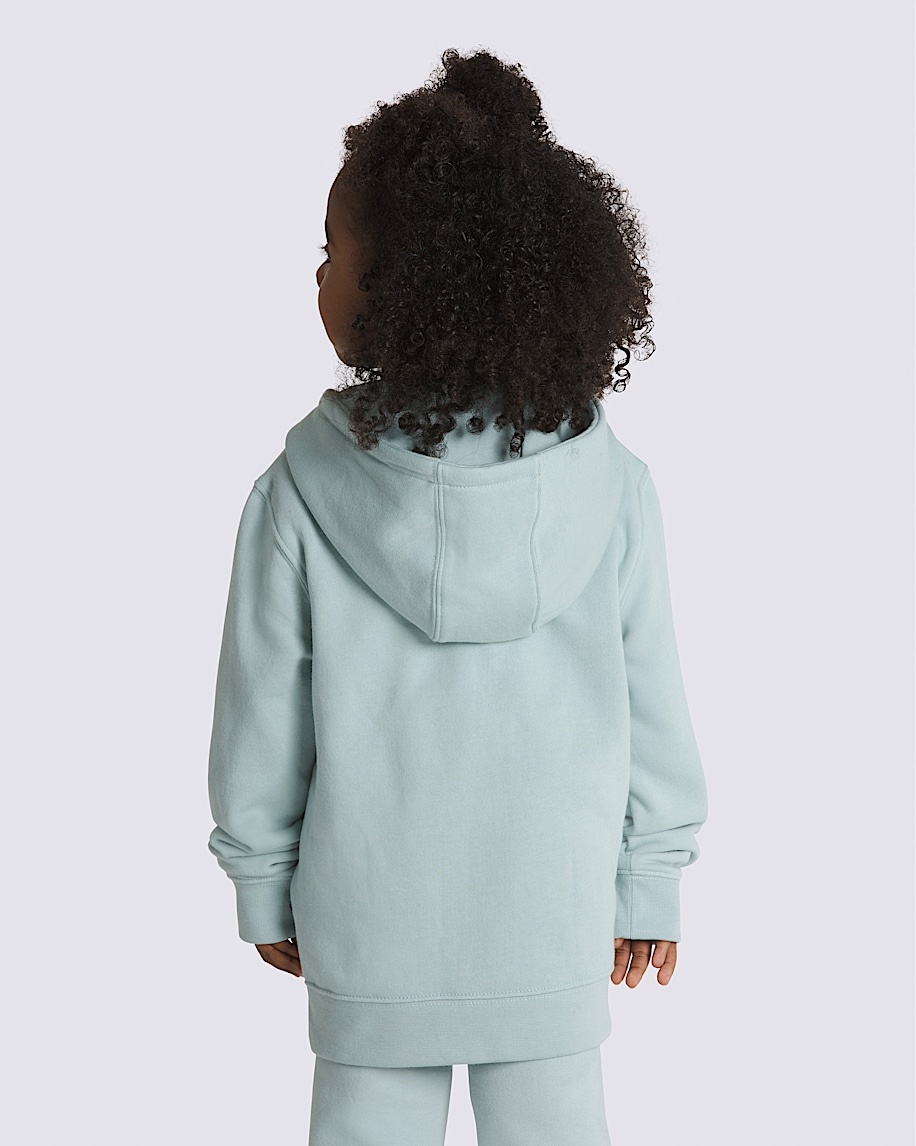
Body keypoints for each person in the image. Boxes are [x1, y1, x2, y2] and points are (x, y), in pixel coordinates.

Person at [206, 47, 709, 1145]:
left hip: (367, 923)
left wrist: (261, 878)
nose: (317, 276)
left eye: (331, 252)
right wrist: (651, 879)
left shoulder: (299, 491)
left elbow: (260, 713)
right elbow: (655, 705)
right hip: (555, 920)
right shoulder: (612, 488)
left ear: (397, 290)